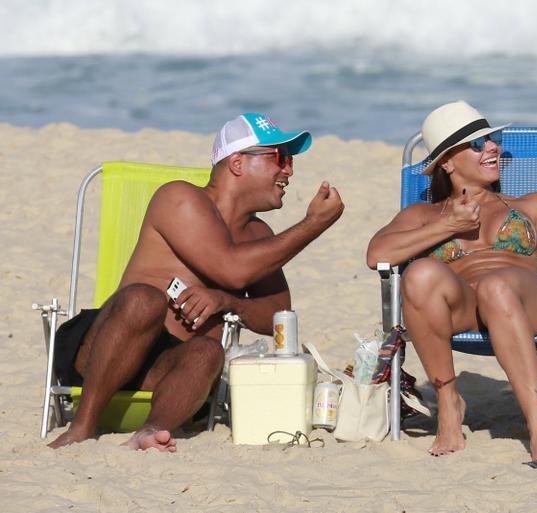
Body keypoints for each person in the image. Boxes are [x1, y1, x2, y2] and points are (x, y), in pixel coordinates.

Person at [49, 113, 344, 451]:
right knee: (146, 300)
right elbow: (232, 270)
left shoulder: (258, 235)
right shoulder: (180, 198)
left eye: (289, 160)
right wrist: (312, 225)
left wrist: (229, 302)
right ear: (237, 163)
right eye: (280, 157)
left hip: (167, 370)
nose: (289, 170)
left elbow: (279, 318)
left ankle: (152, 431)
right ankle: (82, 426)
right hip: (107, 349)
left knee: (208, 351)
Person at [366, 101, 537, 459]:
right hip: (465, 310)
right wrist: (448, 225)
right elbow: (377, 255)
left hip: (529, 306)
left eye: (492, 139)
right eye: (478, 144)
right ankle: (449, 401)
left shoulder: (531, 208)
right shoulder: (423, 215)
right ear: (447, 162)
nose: (493, 147)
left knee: (497, 285)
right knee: (418, 274)